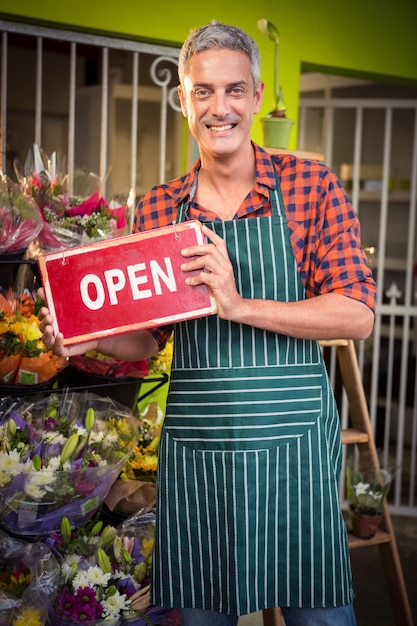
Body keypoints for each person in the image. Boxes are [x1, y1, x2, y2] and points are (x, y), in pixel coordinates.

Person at [39, 20, 377, 626]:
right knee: (199, 616)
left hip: (293, 455)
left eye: (234, 90)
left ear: (255, 93)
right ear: (183, 99)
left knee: (320, 619)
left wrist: (239, 304)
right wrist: (85, 340)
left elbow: (355, 314)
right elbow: (149, 338)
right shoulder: (159, 207)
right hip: (200, 458)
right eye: (203, 92)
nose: (219, 108)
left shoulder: (309, 185)